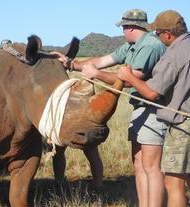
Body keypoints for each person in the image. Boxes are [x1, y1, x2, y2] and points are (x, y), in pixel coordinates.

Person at [56, 9, 167, 206]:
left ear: (130, 27)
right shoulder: (131, 45)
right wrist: (71, 64)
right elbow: (101, 61)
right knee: (139, 163)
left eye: (124, 27)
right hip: (139, 108)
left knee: (151, 167)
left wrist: (97, 75)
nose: (123, 31)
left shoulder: (150, 46)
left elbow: (132, 80)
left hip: (153, 110)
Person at [118, 10, 189, 207]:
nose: (156, 37)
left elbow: (152, 94)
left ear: (168, 34)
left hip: (183, 124)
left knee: (174, 182)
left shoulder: (175, 54)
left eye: (157, 33)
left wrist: (129, 77)